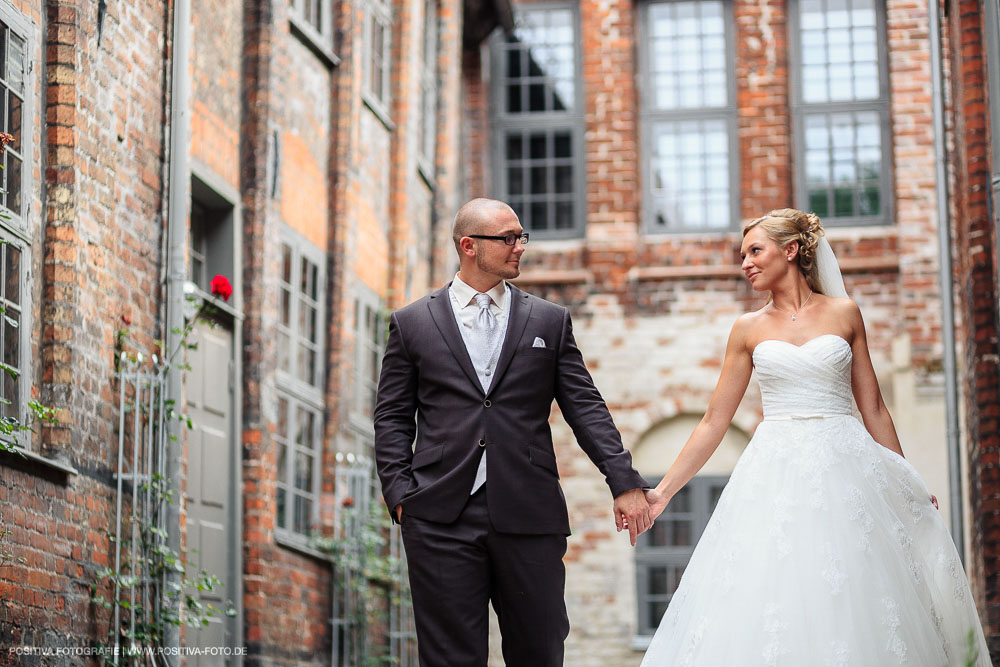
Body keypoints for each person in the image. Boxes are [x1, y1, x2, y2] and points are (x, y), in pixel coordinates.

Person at [640, 208, 991, 666]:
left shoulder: (845, 314)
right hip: (774, 471)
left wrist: (904, 480)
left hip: (846, 467)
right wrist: (663, 492)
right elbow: (713, 421)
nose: (744, 262)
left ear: (790, 251)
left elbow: (875, 409)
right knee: (779, 585)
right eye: (742, 254)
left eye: (754, 251)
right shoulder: (747, 329)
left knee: (854, 586)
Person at [374, 198, 653, 667]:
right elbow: (392, 416)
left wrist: (623, 480)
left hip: (529, 510)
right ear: (469, 246)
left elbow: (585, 405)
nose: (519, 246)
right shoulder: (412, 324)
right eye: (507, 238)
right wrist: (401, 494)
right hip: (439, 514)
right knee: (449, 658)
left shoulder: (548, 320)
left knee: (540, 651)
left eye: (521, 236)